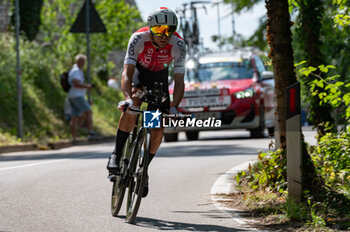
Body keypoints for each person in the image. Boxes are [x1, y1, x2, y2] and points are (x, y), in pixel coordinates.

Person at [106, 7, 186, 197]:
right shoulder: (138, 38)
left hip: (158, 80)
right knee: (133, 104)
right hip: (139, 76)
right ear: (151, 28)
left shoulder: (178, 44)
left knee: (157, 127)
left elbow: (179, 80)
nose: (164, 35)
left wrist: (174, 107)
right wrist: (126, 98)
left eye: (169, 30)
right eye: (159, 30)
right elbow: (127, 72)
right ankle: (116, 154)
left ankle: (143, 170)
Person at [68, 54, 97, 140]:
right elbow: (76, 84)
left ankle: (74, 138)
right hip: (77, 96)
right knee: (88, 111)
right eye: (81, 62)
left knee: (74, 117)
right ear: (77, 62)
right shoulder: (76, 71)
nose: (83, 64)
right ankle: (90, 132)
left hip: (73, 96)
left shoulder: (76, 70)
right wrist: (87, 87)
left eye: (84, 62)